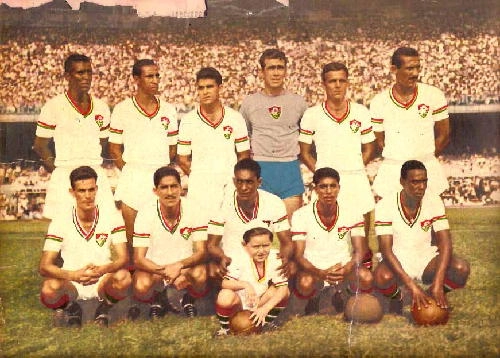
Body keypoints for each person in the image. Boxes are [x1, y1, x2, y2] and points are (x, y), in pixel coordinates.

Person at [299, 62, 375, 267]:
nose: (337, 85)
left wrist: (356, 166)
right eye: (332, 81)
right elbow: (304, 152)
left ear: (348, 83)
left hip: (356, 179)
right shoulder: (312, 114)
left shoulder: (361, 112)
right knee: (327, 239)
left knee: (362, 239)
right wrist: (323, 175)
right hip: (327, 185)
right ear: (324, 84)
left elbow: (370, 147)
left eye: (342, 81)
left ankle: (363, 284)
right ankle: (327, 283)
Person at [39, 166, 131, 327]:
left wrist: (103, 269)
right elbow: (44, 266)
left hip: (102, 277)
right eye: (82, 191)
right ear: (72, 192)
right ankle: (72, 308)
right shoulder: (60, 220)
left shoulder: (112, 216)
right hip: (73, 280)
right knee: (49, 288)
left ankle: (104, 308)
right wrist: (74, 275)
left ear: (96, 189)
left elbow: (123, 258)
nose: (88, 196)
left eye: (91, 190)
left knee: (124, 277)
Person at [373, 160, 470, 313]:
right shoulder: (385, 205)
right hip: (398, 257)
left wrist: (437, 284)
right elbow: (386, 250)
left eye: (424, 181)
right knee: (382, 277)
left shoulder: (433, 200)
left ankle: (435, 295)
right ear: (402, 182)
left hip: (426, 257)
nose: (422, 187)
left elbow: (445, 243)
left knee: (461, 268)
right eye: (415, 182)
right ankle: (400, 299)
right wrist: (412, 287)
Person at [108, 59, 178, 265]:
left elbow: (172, 147)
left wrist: (159, 172)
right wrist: (131, 169)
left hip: (159, 176)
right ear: (136, 79)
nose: (155, 80)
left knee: (161, 235)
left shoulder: (168, 109)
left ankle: (160, 286)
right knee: (132, 238)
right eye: (149, 76)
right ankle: (134, 290)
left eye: (157, 76)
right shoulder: (122, 109)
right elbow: (114, 148)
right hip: (133, 176)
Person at [33, 53, 114, 219]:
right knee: (62, 232)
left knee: (102, 227)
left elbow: (103, 141)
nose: (86, 77)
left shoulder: (101, 107)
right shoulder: (53, 106)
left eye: (89, 72)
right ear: (67, 75)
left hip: (95, 173)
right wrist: (59, 171)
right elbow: (40, 146)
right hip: (65, 174)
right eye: (80, 73)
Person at [291, 167, 373, 315]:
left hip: (343, 266)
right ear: (315, 189)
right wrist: (319, 272)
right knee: (305, 284)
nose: (328, 191)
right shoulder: (301, 215)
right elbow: (298, 255)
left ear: (339, 188)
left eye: (332, 186)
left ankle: (343, 291)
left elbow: (360, 250)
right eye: (323, 186)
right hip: (315, 267)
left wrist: (347, 268)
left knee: (366, 278)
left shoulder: (353, 212)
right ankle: (314, 298)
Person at [370, 47, 450, 198]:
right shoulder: (379, 101)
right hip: (393, 167)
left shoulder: (433, 95)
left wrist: (423, 159)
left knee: (429, 217)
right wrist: (399, 156)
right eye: (409, 68)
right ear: (394, 69)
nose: (415, 73)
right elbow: (378, 140)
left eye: (417, 68)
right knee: (391, 218)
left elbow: (444, 134)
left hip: (426, 166)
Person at [131, 166, 208, 318]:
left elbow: (201, 252)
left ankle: (188, 299)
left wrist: (179, 266)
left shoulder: (195, 208)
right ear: (156, 191)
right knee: (141, 286)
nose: (170, 192)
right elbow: (139, 259)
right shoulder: (146, 212)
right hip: (155, 268)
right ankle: (158, 299)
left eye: (174, 186)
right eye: (164, 187)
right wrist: (166, 271)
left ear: (181, 188)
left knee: (201, 275)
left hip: (184, 267)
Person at [240, 49, 308, 220]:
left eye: (280, 67)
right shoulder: (250, 103)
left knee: (292, 230)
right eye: (271, 68)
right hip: (261, 168)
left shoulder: (298, 102)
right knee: (259, 231)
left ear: (286, 71)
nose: (276, 72)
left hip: (289, 168)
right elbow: (243, 136)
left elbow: (306, 136)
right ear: (262, 71)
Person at [177, 67, 250, 222]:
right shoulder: (188, 120)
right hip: (200, 187)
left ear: (220, 88)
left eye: (210, 86)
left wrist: (232, 178)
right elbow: (182, 159)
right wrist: (202, 177)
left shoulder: (235, 118)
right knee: (201, 237)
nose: (205, 92)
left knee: (230, 236)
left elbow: (244, 155)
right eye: (201, 88)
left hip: (229, 185)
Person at [207, 158, 294, 281]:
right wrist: (221, 257)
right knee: (213, 272)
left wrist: (285, 258)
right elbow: (211, 245)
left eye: (249, 182)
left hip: (262, 259)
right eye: (239, 182)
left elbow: (286, 242)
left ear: (259, 182)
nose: (243, 187)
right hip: (232, 261)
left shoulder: (274, 202)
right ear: (234, 181)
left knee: (290, 269)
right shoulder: (221, 203)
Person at [215, 227, 289, 336]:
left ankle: (266, 323)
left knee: (283, 291)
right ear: (245, 246)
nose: (261, 251)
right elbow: (224, 283)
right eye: (256, 246)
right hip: (239, 303)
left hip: (259, 302)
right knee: (225, 295)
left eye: (266, 245)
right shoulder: (238, 257)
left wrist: (265, 308)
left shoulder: (275, 257)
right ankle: (225, 328)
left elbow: (283, 288)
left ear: (271, 244)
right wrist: (246, 285)